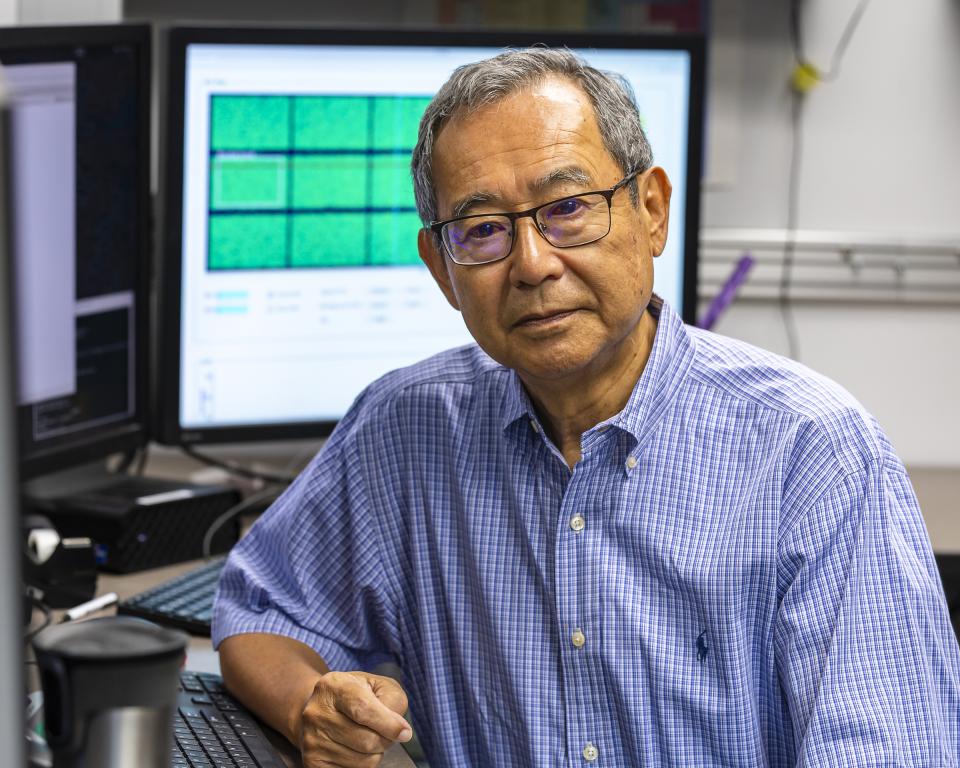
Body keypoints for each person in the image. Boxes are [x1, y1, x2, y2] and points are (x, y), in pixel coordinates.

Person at [213, 49, 960, 767]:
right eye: (483, 231)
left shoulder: (812, 452)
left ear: (653, 211)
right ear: (442, 269)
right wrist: (316, 705)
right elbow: (260, 614)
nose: (533, 264)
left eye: (568, 207)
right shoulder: (405, 429)